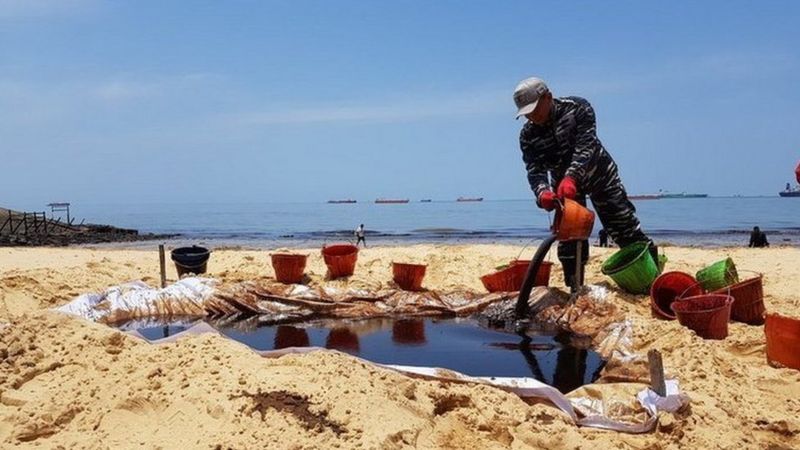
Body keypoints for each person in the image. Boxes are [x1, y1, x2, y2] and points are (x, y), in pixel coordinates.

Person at [514, 77, 657, 290]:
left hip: (600, 175)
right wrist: (542, 192)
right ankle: (575, 287)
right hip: (565, 189)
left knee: (623, 227)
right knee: (570, 239)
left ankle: (652, 281)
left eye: (535, 109)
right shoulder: (528, 135)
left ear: (548, 97)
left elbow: (586, 147)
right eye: (526, 113)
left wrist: (572, 176)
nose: (532, 116)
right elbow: (535, 170)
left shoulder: (579, 108)